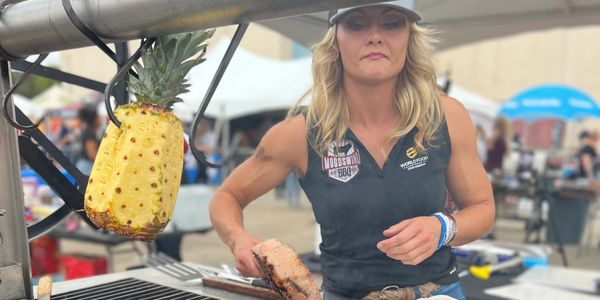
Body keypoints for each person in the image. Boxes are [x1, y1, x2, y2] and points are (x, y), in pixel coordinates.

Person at [209, 2, 494, 299]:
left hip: (437, 292)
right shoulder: (298, 134)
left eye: (391, 23)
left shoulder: (446, 116)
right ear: (334, 41)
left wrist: (442, 228)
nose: (375, 36)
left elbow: (483, 210)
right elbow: (227, 197)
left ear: (410, 37)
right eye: (357, 24)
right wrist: (238, 240)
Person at [75, 104, 100, 175]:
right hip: (87, 168)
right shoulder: (89, 134)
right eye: (97, 116)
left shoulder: (89, 132)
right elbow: (92, 155)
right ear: (94, 119)